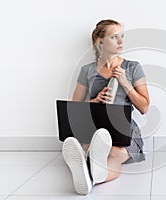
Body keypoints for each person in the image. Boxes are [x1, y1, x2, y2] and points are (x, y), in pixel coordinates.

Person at [62, 19, 150, 195]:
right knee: (90, 149)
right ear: (100, 42)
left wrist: (126, 84)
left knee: (113, 154)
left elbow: (144, 107)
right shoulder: (87, 71)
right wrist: (93, 101)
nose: (120, 42)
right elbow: (74, 108)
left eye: (122, 37)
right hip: (94, 125)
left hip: (123, 128)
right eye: (114, 37)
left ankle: (88, 176)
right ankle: (90, 169)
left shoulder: (132, 68)